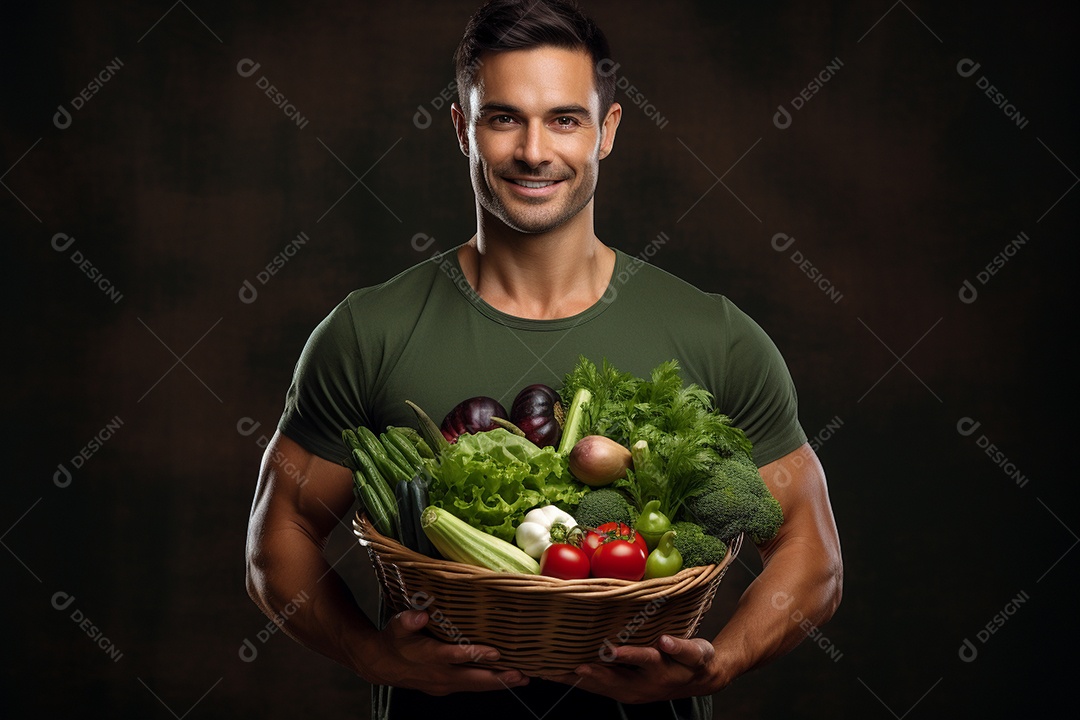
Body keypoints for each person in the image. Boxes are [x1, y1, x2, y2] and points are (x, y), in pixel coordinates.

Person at [245, 1, 843, 718]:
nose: (535, 151)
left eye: (565, 118)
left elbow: (814, 552)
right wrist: (370, 653)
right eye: (504, 118)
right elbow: (276, 539)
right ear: (463, 130)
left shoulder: (714, 335)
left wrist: (725, 661)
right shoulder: (369, 330)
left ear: (607, 132)